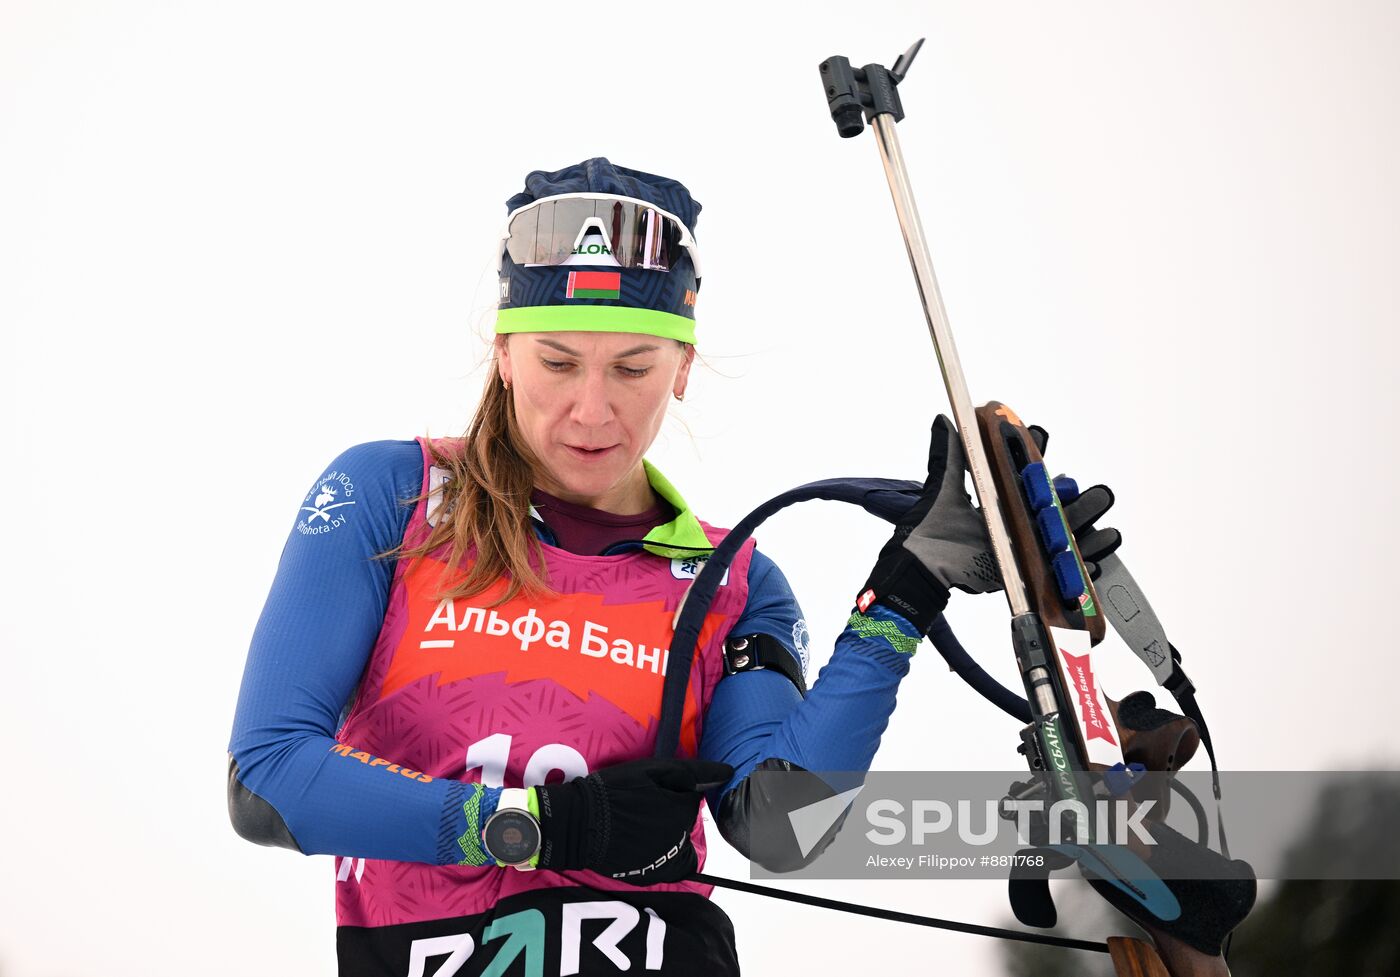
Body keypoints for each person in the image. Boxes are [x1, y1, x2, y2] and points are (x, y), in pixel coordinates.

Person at [228, 158, 1003, 976]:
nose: (592, 410)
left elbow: (783, 824)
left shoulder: (731, 577)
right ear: (503, 353)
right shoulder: (393, 495)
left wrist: (906, 595)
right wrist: (544, 824)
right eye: (558, 363)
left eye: (633, 368)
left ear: (683, 368)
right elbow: (267, 779)